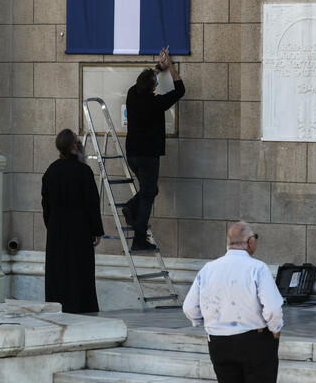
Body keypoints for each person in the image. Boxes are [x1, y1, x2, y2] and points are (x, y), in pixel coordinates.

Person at [183, 221, 284, 383]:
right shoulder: (258, 268)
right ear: (250, 241)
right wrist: (275, 329)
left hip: (218, 342)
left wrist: (206, 323)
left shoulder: (208, 269)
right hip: (254, 341)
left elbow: (189, 307)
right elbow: (272, 309)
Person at [122, 48, 185, 250]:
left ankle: (131, 208)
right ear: (153, 88)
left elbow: (144, 82)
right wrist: (171, 67)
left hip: (132, 153)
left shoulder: (132, 94)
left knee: (150, 190)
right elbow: (180, 90)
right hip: (148, 156)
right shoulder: (155, 103)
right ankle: (139, 239)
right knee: (148, 194)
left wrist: (159, 67)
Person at [41, 129, 104, 313]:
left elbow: (46, 205)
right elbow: (92, 203)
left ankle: (58, 307)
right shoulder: (83, 171)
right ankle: (81, 307)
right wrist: (97, 230)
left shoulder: (50, 171)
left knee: (58, 271)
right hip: (79, 226)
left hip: (56, 226)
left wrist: (52, 225)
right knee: (79, 269)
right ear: (75, 146)